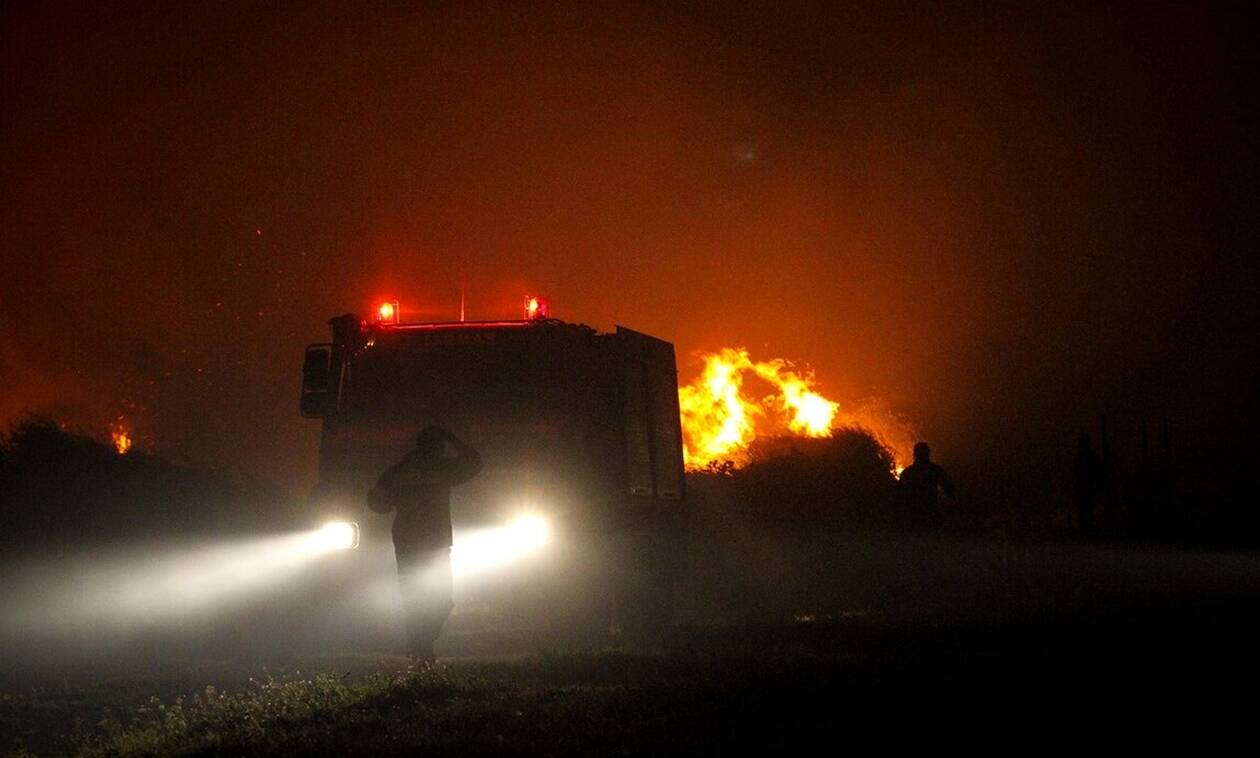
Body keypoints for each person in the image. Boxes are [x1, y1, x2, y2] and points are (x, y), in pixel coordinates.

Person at [368, 426, 482, 660]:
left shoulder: (397, 472)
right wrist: (453, 437)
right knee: (442, 601)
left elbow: (379, 504)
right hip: (436, 543)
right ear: (438, 448)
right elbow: (475, 462)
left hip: (407, 541)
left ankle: (419, 648)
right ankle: (423, 647)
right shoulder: (442, 470)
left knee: (413, 599)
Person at [897, 441, 954, 531]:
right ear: (928, 453)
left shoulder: (908, 472)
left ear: (914, 454)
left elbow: (900, 494)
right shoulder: (935, 470)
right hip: (929, 513)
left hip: (914, 516)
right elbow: (949, 489)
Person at [1072, 433, 1102, 534]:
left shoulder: (1087, 459)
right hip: (1084, 488)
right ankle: (1085, 529)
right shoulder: (1082, 459)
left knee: (1086, 511)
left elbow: (1096, 474)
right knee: (1084, 511)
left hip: (1086, 488)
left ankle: (1086, 529)